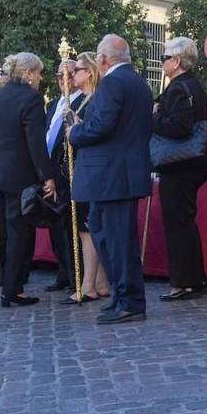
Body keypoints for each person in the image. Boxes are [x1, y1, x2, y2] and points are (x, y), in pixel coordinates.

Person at [68, 35, 153, 325]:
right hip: (117, 175)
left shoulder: (114, 83)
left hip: (112, 177)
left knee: (117, 242)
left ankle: (129, 301)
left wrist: (74, 133)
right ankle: (121, 297)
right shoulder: (137, 82)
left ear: (103, 60)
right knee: (109, 238)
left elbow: (100, 127)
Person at [0, 53, 56, 308]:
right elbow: (35, 141)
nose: (39, 77)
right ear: (27, 74)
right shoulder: (32, 98)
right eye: (37, 72)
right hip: (18, 175)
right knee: (18, 232)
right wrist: (47, 176)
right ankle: (13, 290)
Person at [153, 37, 207, 302]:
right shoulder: (193, 85)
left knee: (178, 224)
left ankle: (185, 283)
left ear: (177, 62)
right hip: (191, 163)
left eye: (165, 57)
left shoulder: (178, 87)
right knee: (185, 222)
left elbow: (180, 126)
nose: (162, 61)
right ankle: (195, 278)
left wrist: (153, 117)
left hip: (179, 164)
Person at [62, 52, 109, 304]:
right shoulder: (84, 100)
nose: (72, 75)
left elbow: (88, 131)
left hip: (92, 171)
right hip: (83, 169)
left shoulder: (94, 100)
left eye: (77, 70)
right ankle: (100, 282)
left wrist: (76, 128)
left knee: (87, 230)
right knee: (86, 229)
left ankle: (88, 284)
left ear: (89, 72)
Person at [43, 59, 80, 295]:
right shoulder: (53, 104)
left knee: (70, 226)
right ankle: (63, 272)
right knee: (56, 226)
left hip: (69, 173)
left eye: (67, 75)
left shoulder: (82, 103)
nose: (62, 80)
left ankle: (76, 275)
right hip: (49, 173)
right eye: (58, 76)